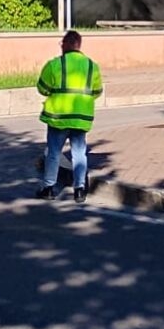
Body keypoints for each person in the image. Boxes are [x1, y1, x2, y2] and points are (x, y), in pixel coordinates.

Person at [35, 30, 103, 203]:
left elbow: (42, 87)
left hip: (58, 117)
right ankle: (79, 190)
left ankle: (49, 187)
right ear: (79, 45)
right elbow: (97, 91)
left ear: (65, 44)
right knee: (79, 153)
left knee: (53, 153)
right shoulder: (91, 66)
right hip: (80, 118)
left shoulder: (55, 64)